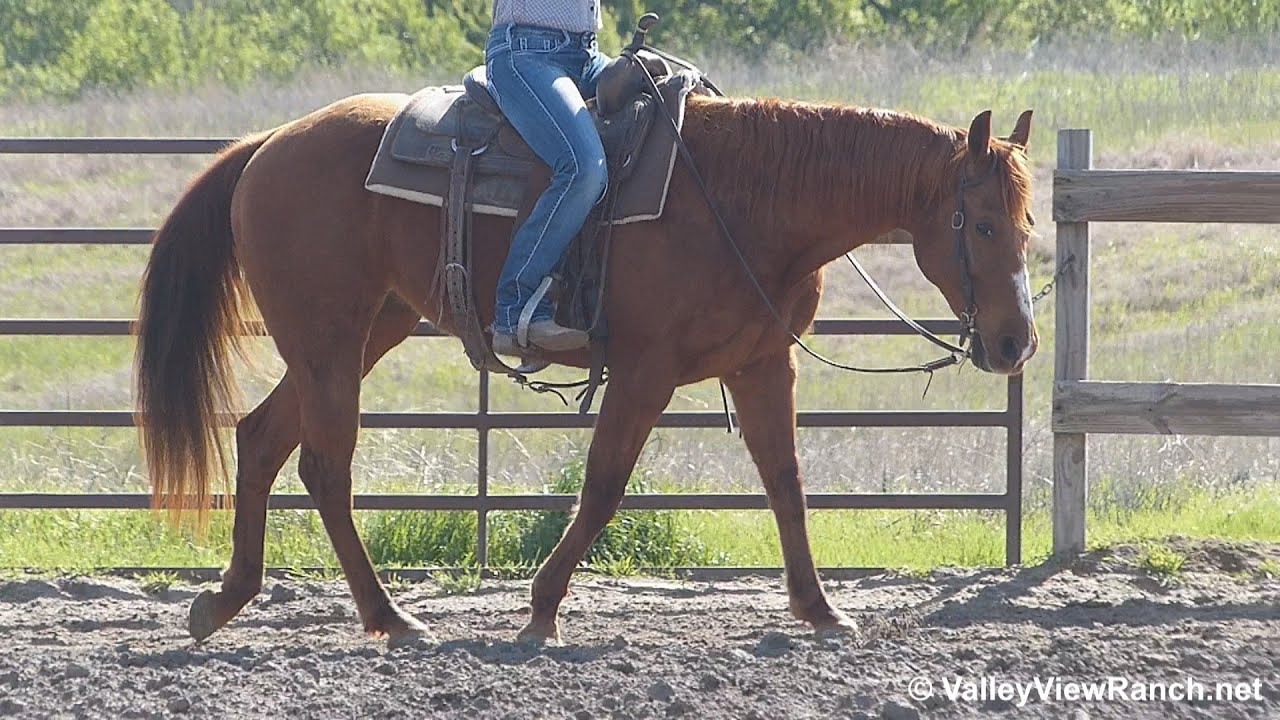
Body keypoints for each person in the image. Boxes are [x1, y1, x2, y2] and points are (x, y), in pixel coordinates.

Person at [486, 1, 610, 356]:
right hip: (525, 53)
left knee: (675, 103)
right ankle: (515, 306)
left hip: (587, 54)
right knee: (583, 168)